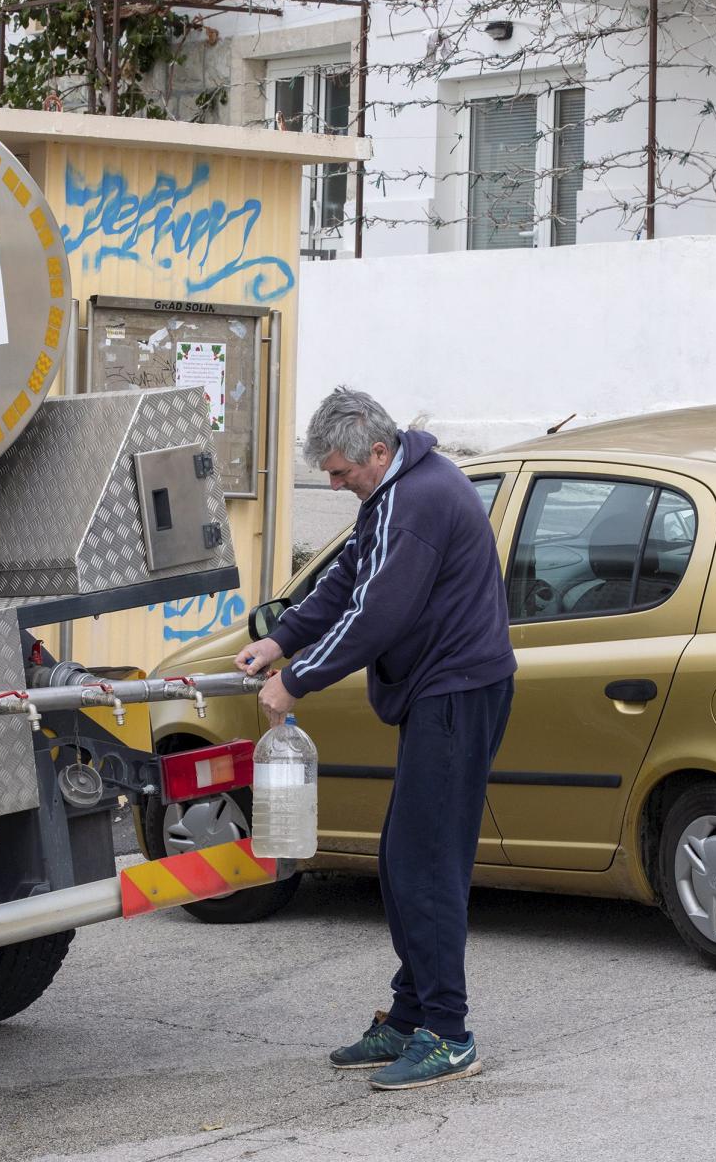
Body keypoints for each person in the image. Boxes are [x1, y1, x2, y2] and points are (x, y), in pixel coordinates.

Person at [236, 387, 515, 1091]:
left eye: (339, 472)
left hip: (457, 692)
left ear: (379, 452)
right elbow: (343, 581)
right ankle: (410, 1014)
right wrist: (278, 640)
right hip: (441, 692)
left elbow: (376, 616)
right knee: (403, 859)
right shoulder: (393, 494)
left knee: (426, 864)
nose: (333, 485)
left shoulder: (417, 500)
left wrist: (297, 682)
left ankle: (448, 1033)